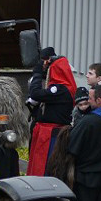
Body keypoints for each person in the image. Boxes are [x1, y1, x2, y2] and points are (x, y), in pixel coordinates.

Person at [25, 46, 76, 177]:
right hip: (45, 131)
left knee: (45, 168)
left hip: (52, 135)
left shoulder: (61, 90)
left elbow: (35, 93)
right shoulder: (59, 89)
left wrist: (37, 74)